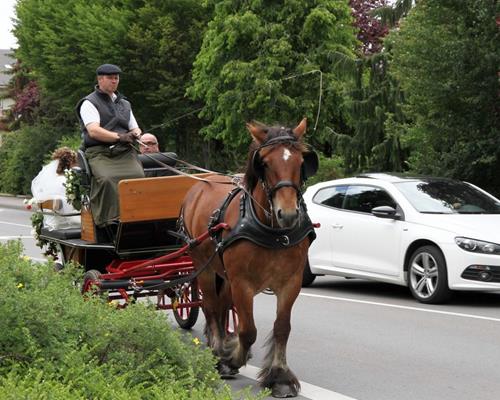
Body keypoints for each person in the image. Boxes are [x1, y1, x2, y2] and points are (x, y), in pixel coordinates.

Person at [76, 63, 145, 228]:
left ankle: (138, 217)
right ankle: (109, 222)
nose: (114, 81)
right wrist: (120, 136)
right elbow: (93, 131)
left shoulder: (124, 104)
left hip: (125, 153)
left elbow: (134, 127)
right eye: (110, 78)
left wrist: (136, 135)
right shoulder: (89, 102)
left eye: (116, 78)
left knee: (139, 178)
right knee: (107, 180)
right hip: (100, 153)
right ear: (100, 79)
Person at [31, 147, 80, 230]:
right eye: (75, 162)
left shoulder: (49, 180)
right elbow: (71, 208)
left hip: (52, 222)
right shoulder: (68, 181)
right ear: (70, 163)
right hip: (67, 222)